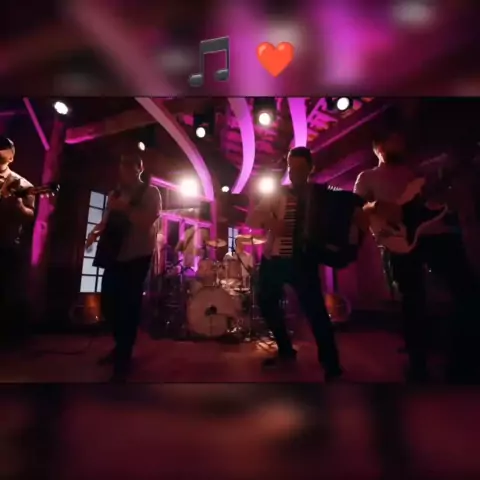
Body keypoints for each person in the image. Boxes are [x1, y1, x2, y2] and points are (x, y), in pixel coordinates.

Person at [354, 130, 479, 383]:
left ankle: (461, 363)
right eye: (393, 140)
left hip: (434, 233)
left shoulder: (418, 172)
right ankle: (418, 364)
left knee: (467, 291)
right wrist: (376, 206)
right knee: (413, 301)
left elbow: (436, 203)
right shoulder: (367, 177)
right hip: (398, 240)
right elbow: (356, 211)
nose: (400, 143)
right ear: (379, 147)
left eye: (400, 140)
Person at [246, 146, 342, 382]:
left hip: (304, 260)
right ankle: (285, 348)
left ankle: (331, 363)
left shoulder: (323, 196)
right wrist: (272, 223)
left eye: (299, 168)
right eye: (291, 168)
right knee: (266, 301)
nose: (294, 172)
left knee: (315, 311)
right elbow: (252, 218)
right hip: (276, 259)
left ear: (311, 168)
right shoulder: (278, 195)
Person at [85, 154, 162, 381]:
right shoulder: (116, 193)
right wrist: (94, 233)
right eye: (122, 166)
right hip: (114, 255)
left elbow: (147, 221)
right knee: (108, 303)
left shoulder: (151, 192)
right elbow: (107, 220)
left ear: (139, 168)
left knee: (129, 306)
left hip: (137, 255)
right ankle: (120, 346)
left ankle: (124, 356)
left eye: (130, 167)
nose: (125, 171)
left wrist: (125, 208)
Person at [0, 136, 35, 345]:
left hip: (7, 245)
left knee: (7, 293)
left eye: (3, 148)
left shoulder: (23, 184)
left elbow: (30, 215)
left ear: (11, 157)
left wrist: (20, 207)